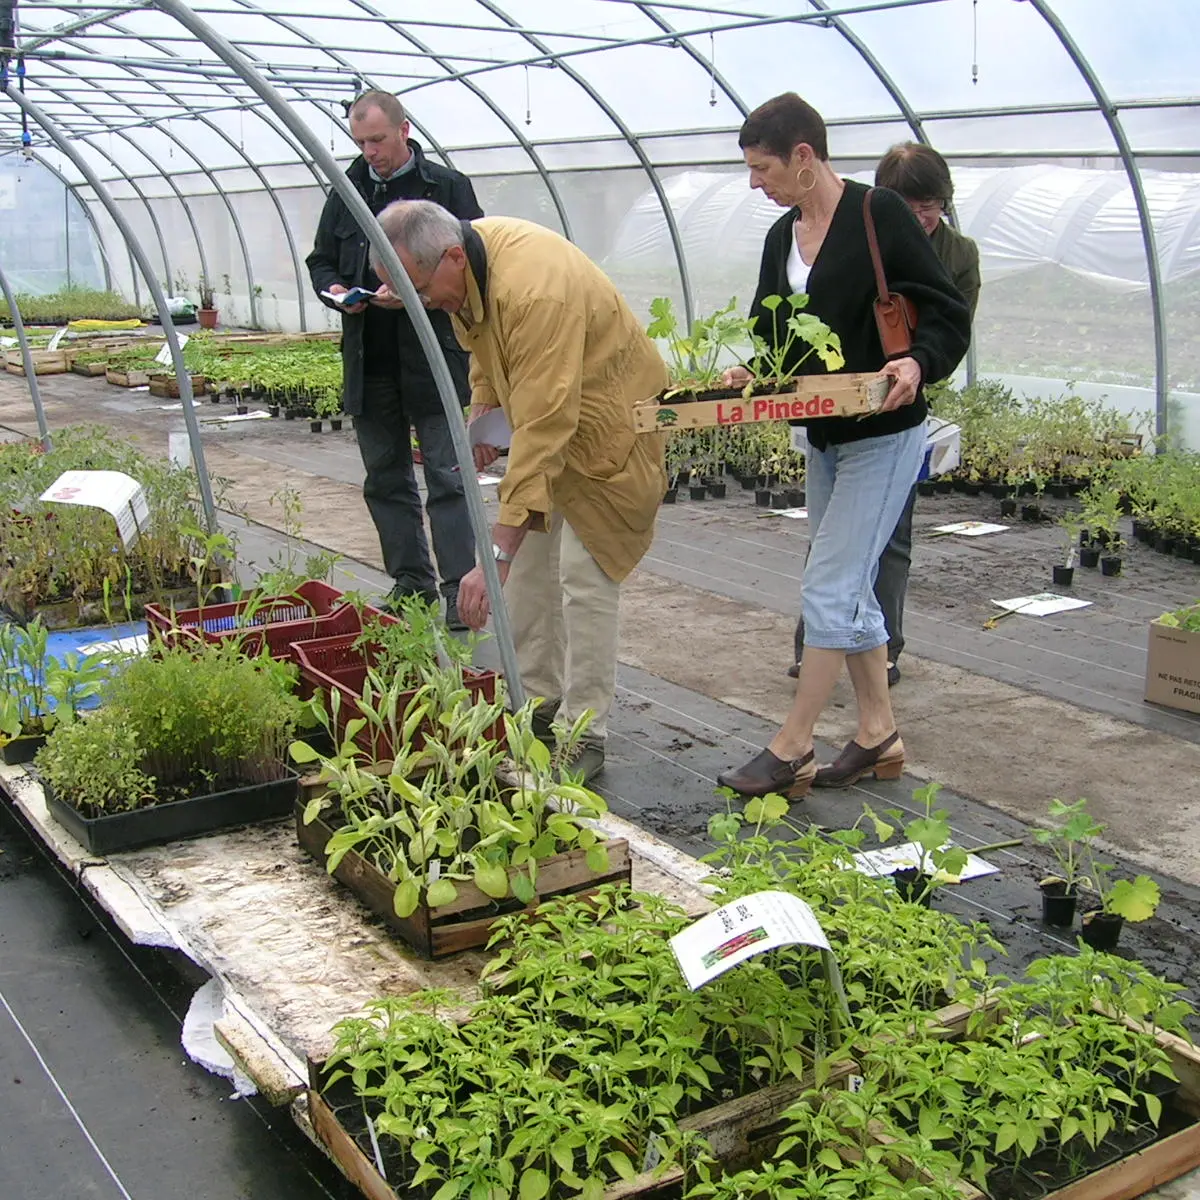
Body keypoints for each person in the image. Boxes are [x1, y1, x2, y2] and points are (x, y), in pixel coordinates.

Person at [717, 94, 970, 797]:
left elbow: (946, 313)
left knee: (827, 583)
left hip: (886, 435)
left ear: (805, 157)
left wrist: (917, 361)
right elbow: (774, 333)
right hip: (824, 435)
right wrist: (755, 368)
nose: (754, 183)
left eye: (762, 167)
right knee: (848, 582)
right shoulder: (781, 238)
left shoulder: (877, 214)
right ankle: (878, 732)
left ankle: (793, 744)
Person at [368, 200, 670, 783]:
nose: (425, 303)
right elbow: (487, 350)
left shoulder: (535, 290)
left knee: (585, 577)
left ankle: (586, 731)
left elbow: (544, 427)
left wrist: (493, 552)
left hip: (609, 435)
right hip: (554, 426)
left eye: (424, 289)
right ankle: (536, 702)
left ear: (452, 256)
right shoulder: (470, 260)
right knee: (530, 574)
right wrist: (485, 409)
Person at [787, 141, 981, 685]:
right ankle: (822, 650)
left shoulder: (957, 253)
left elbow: (952, 323)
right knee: (833, 544)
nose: (922, 215)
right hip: (836, 409)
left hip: (898, 408)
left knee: (887, 537)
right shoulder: (851, 230)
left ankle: (884, 650)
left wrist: (917, 364)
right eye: (910, 203)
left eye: (932, 204)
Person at [306, 91, 483, 628]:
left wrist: (417, 294)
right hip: (372, 356)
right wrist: (337, 289)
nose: (370, 152)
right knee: (384, 476)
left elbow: (474, 258)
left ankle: (458, 589)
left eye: (378, 140)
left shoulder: (446, 187)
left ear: (404, 131)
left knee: (449, 475)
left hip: (433, 354)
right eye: (360, 142)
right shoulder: (347, 190)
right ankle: (412, 584)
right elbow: (321, 260)